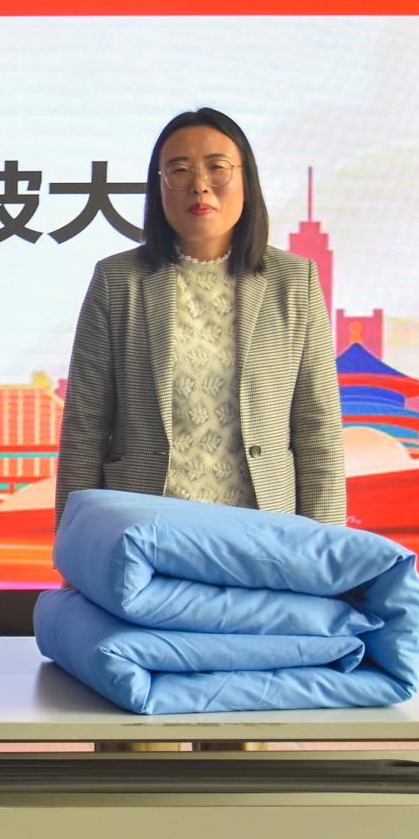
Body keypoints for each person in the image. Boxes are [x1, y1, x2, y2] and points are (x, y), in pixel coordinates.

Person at [55, 107, 345, 529]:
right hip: (147, 534)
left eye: (217, 168)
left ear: (246, 181)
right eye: (179, 170)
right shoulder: (117, 281)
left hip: (263, 533)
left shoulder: (294, 281)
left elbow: (318, 431)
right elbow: (85, 430)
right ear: (159, 187)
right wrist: (74, 544)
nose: (199, 185)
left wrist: (325, 549)